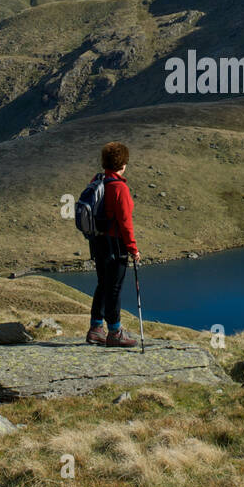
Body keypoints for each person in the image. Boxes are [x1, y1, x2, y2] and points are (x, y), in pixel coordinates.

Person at [86, 141, 139, 347]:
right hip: (115, 244)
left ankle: (96, 328)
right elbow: (126, 223)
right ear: (122, 163)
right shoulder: (119, 188)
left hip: (98, 242)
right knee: (114, 288)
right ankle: (115, 331)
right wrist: (133, 249)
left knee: (102, 284)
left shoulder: (97, 181)